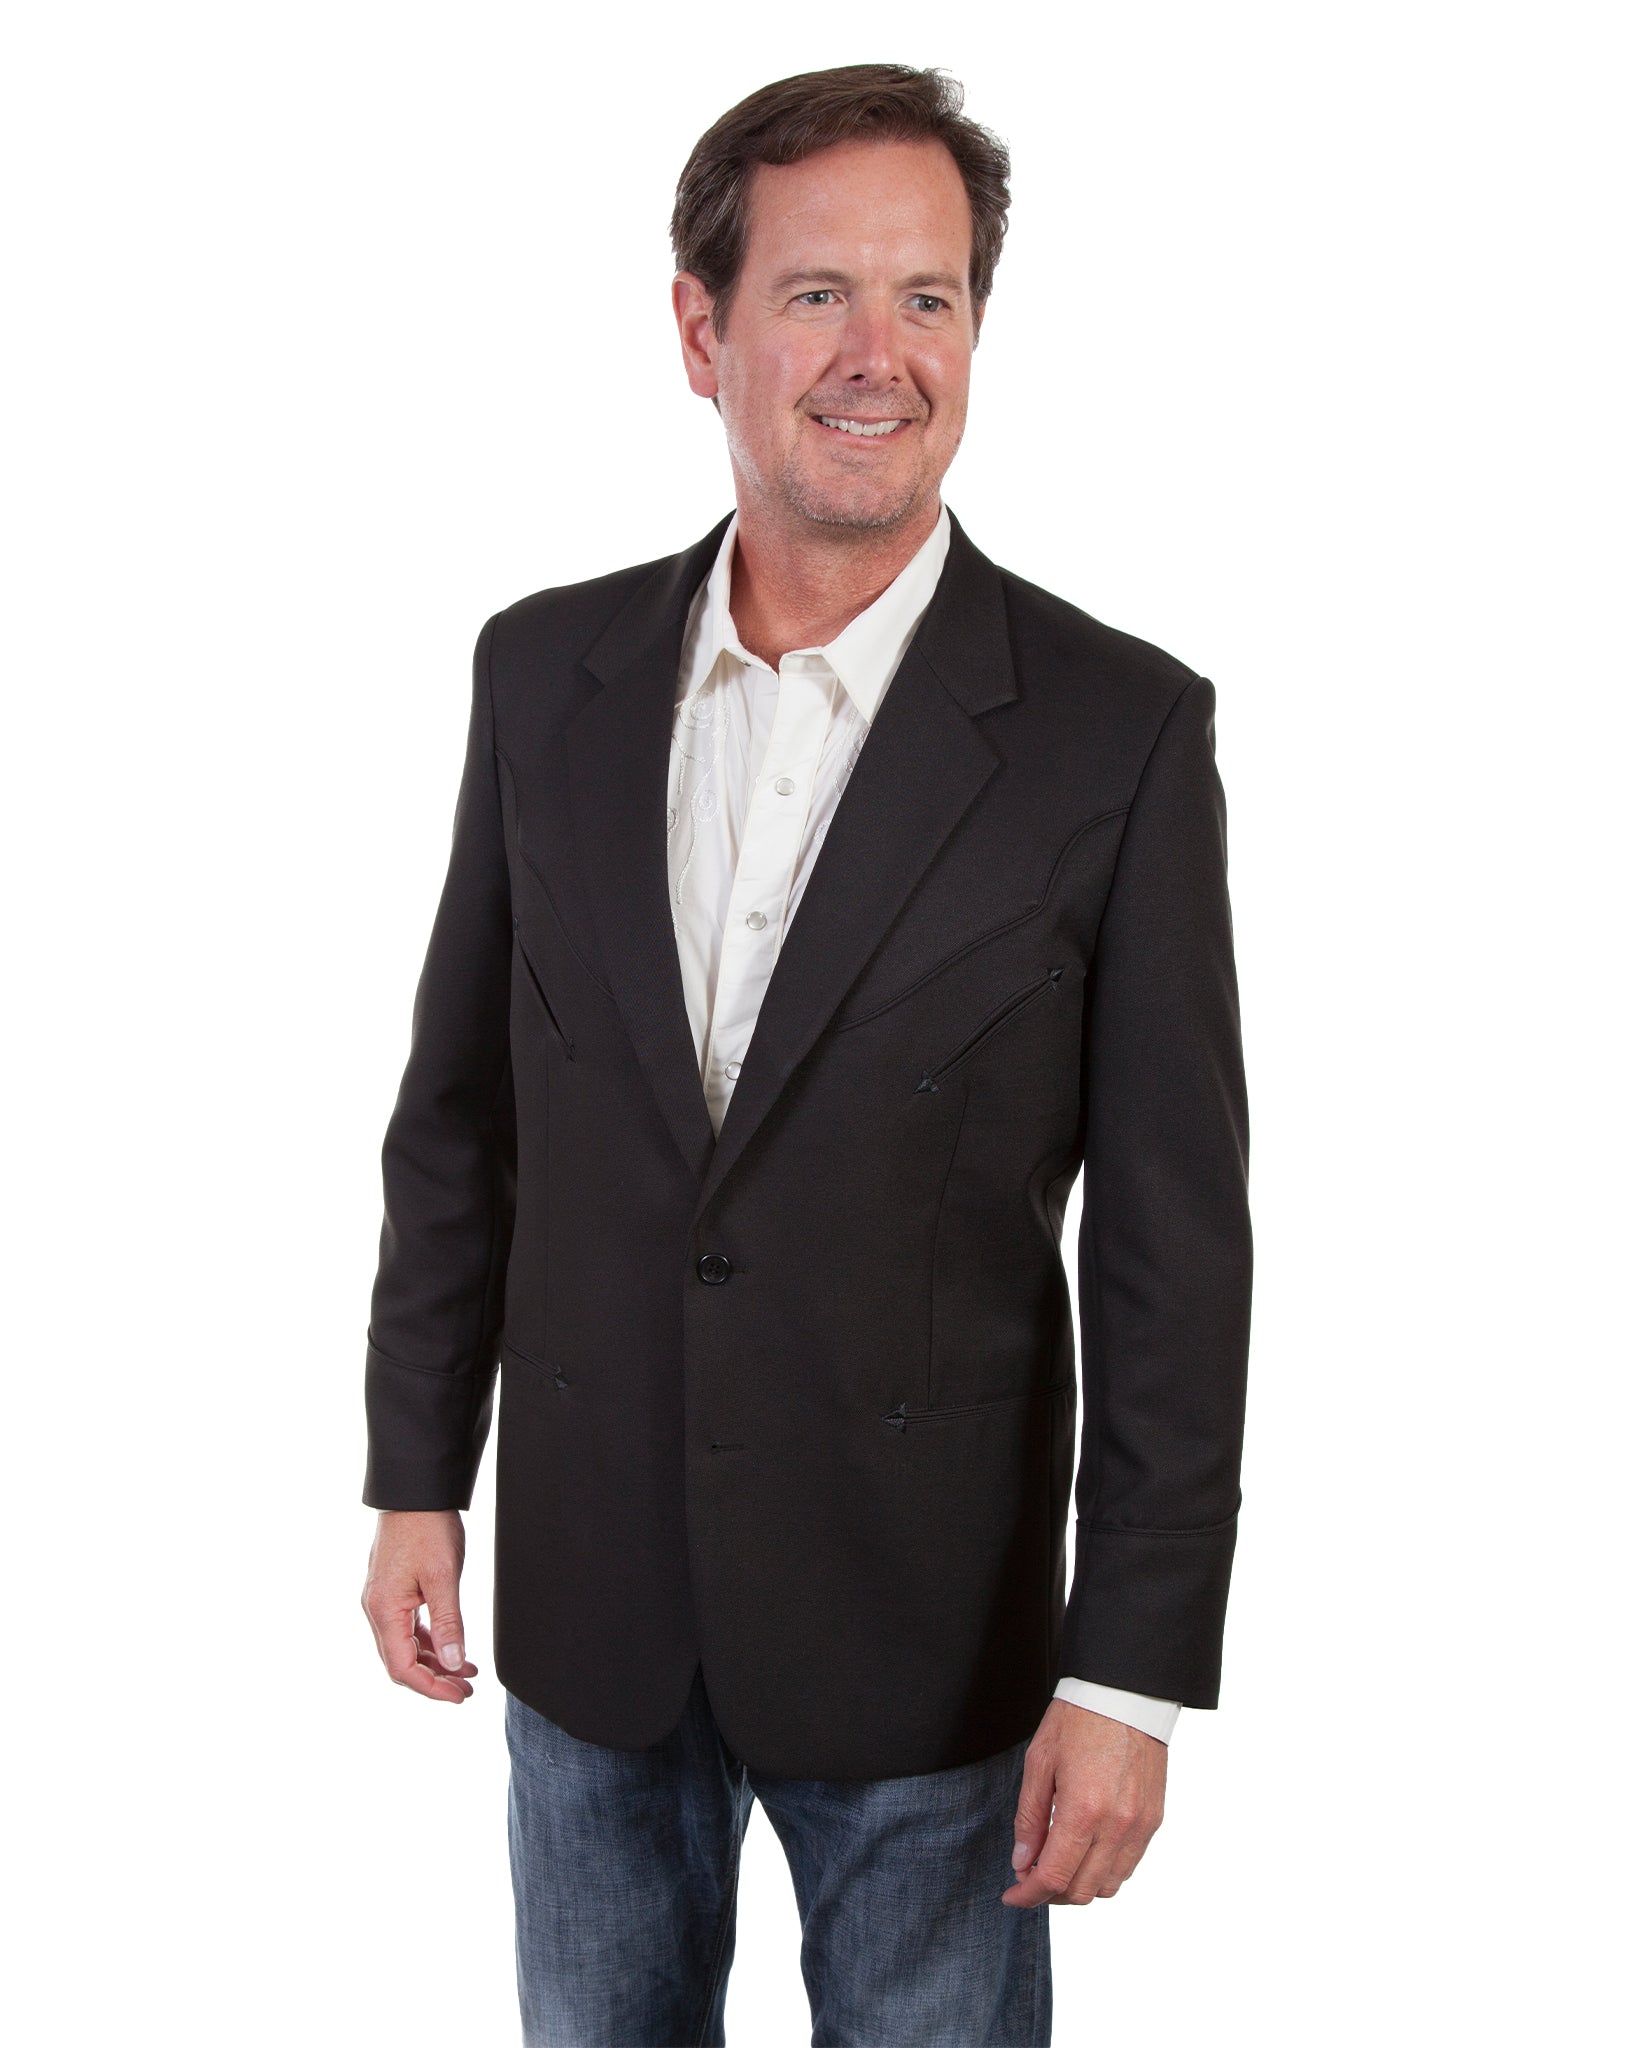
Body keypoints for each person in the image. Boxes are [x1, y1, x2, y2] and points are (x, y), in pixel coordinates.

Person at [359, 62, 1252, 2048]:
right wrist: (418, 1470)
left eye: (929, 298)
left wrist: (1130, 1671)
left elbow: (1174, 1255)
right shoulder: (543, 672)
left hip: (929, 1650)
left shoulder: (1116, 736)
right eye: (819, 294)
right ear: (702, 330)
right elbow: (464, 1110)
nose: (880, 354)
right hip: (592, 1613)